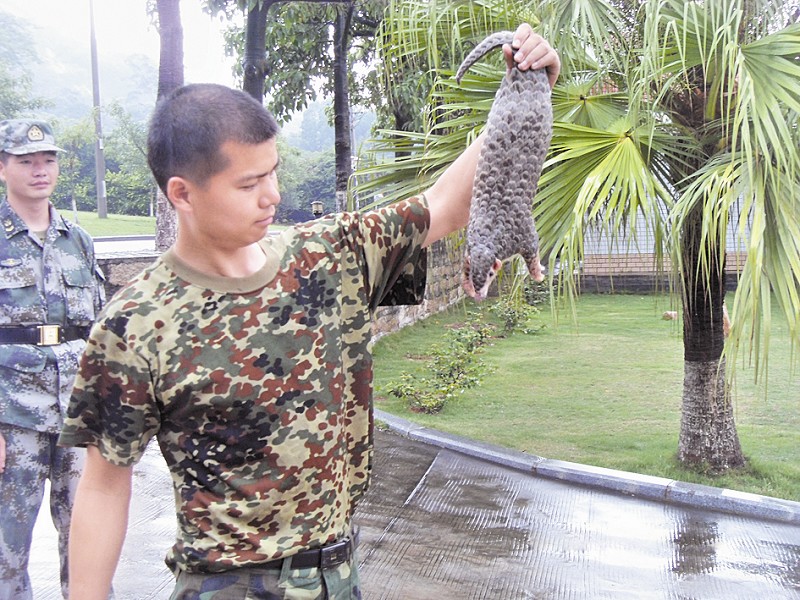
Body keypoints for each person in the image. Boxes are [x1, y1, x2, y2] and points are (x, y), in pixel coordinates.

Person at [60, 24, 560, 600]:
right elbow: (103, 486)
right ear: (183, 194)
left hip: (337, 575)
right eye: (249, 183)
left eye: (272, 171)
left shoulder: (328, 256)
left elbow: (446, 203)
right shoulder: (136, 323)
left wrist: (522, 90)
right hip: (227, 585)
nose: (272, 195)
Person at [0, 119, 106, 599]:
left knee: (87, 546)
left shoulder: (77, 240)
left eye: (48, 160)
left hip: (77, 418)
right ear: (4, 168)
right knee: (6, 554)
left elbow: (100, 333)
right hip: (13, 420)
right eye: (26, 161)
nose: (40, 170)